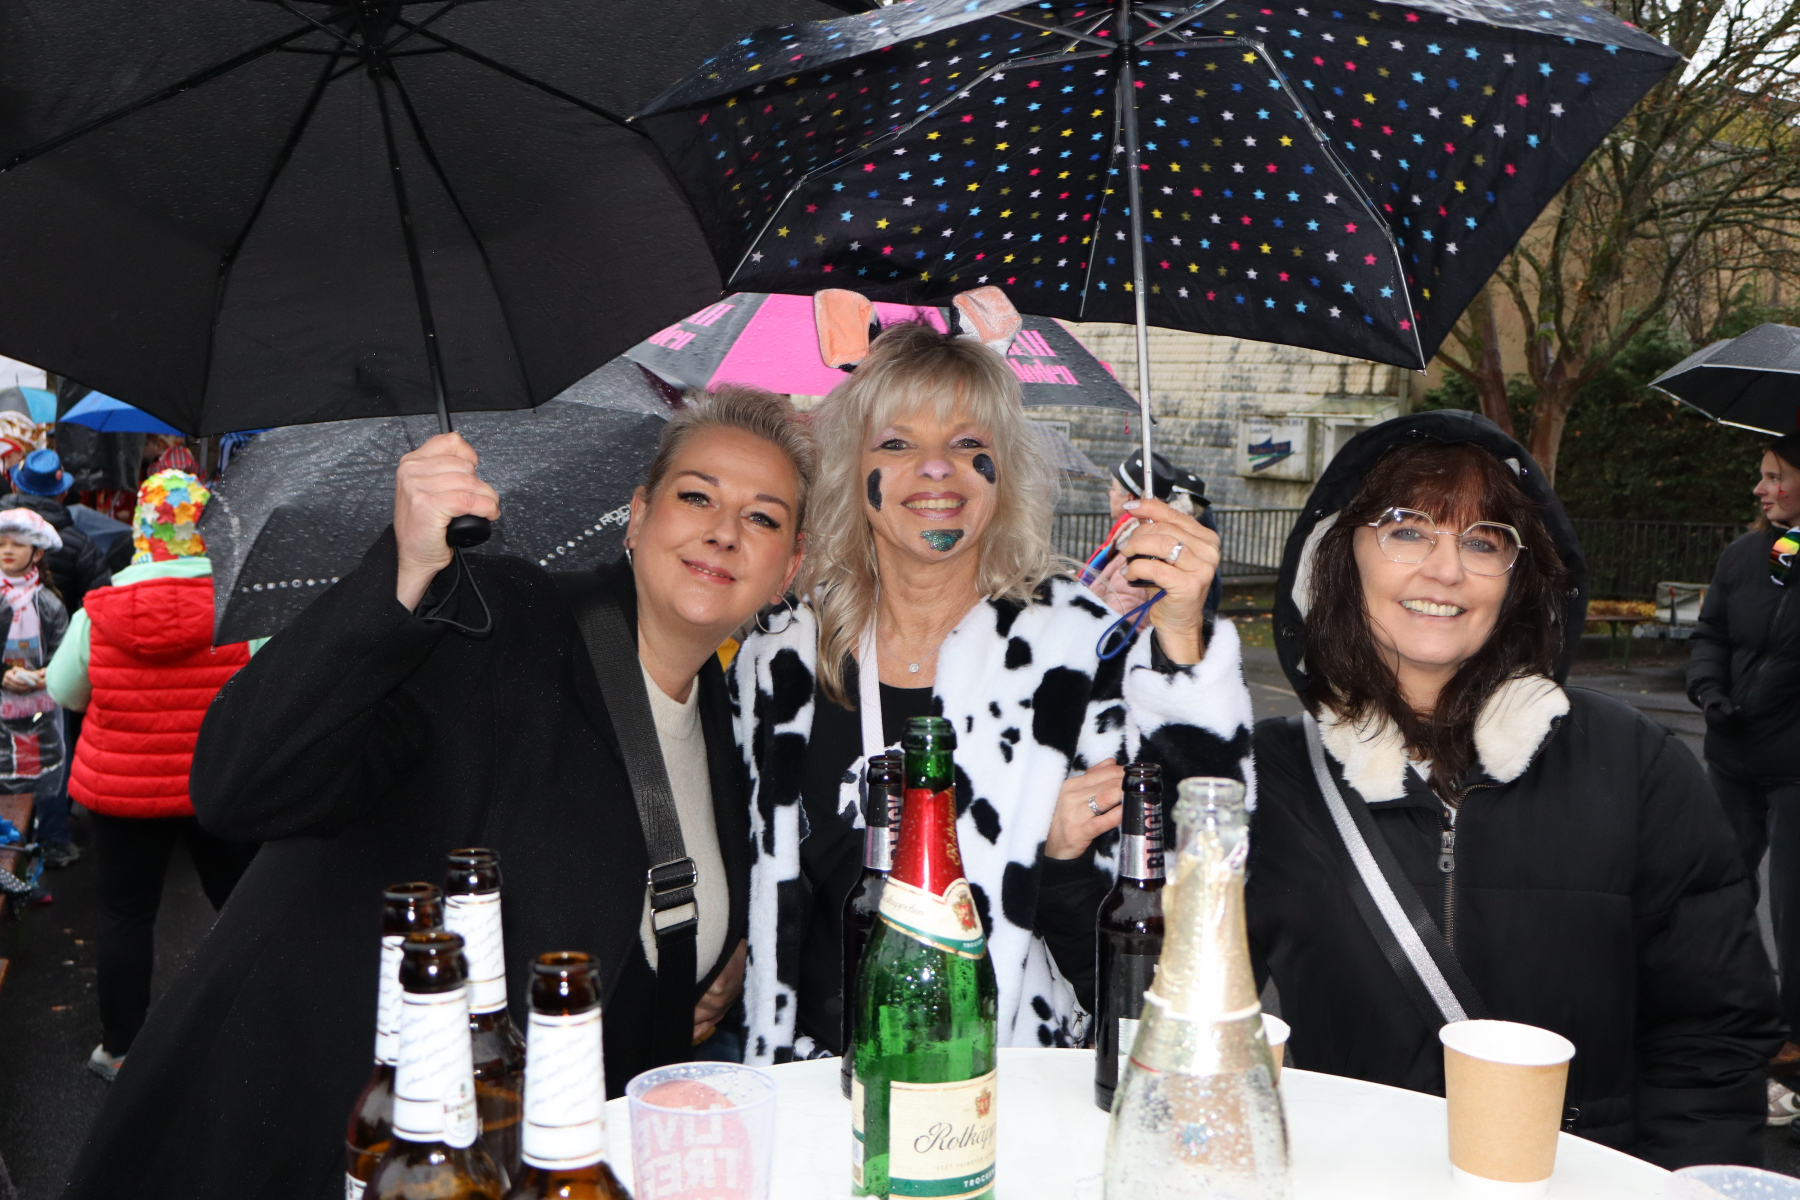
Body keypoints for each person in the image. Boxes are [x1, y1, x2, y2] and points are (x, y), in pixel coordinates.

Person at [62, 387, 813, 1200]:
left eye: (762, 517)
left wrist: (693, 967)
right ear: (636, 518)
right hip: (312, 1139)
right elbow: (240, 784)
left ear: (789, 569)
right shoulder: (502, 617)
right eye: (696, 496)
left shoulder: (722, 712)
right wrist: (405, 569)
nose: (724, 531)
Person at [1246, 409, 1781, 1169]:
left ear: (1520, 578)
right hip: (1348, 1174)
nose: (1445, 570)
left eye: (1483, 540)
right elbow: (1157, 1003)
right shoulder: (1265, 774)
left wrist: (1676, 1184)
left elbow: (1712, 1034)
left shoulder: (1635, 764)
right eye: (1406, 530)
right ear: (1338, 555)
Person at [731, 317, 1254, 1063]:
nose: (935, 469)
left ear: (1003, 471)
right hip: (814, 1087)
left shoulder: (1077, 653)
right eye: (897, 444)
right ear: (851, 469)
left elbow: (1185, 935)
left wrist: (1058, 863)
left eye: (967, 443)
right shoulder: (781, 659)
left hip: (1012, 1085)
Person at [44, 469, 258, 1083]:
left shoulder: (98, 612)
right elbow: (263, 691)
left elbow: (64, 692)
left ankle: (120, 1049)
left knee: (126, 917)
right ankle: (254, 1027)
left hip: (122, 791)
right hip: (217, 785)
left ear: (141, 529)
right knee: (241, 905)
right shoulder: (238, 609)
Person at [1687, 431, 1800, 1090]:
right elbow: (1713, 634)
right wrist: (1709, 690)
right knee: (1720, 891)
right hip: (1732, 756)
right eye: (1762, 475)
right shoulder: (1745, 556)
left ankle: (1792, 1039)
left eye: (1775, 476)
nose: (1760, 488)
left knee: (1793, 911)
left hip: (1795, 768)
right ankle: (1723, 1010)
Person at [5, 449, 117, 868]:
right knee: (51, 751)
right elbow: (100, 607)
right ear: (61, 493)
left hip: (31, 676)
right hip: (56, 674)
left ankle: (30, 842)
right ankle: (50, 837)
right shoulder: (82, 544)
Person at [0, 508, 68, 850]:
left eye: (17, 544)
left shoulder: (50, 604)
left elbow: (62, 651)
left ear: (37, 553)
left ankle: (43, 848)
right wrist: (3, 675)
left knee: (40, 778)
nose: (7, 550)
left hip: (40, 712)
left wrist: (49, 672)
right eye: (1, 544)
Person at [1091, 448, 1223, 624]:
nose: (1109, 493)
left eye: (1112, 488)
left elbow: (1124, 622)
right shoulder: (1132, 537)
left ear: (1130, 497)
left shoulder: (1144, 547)